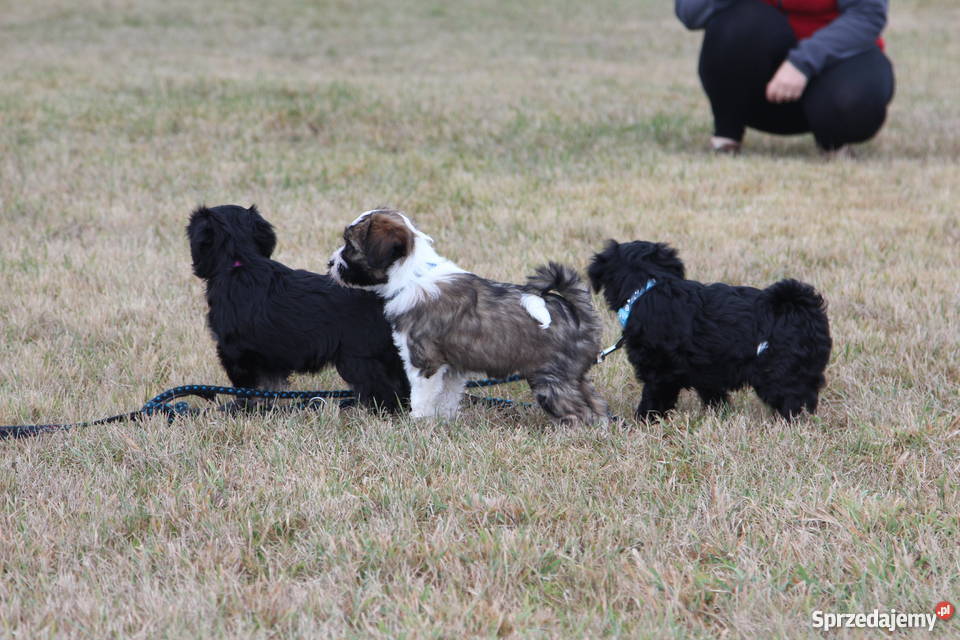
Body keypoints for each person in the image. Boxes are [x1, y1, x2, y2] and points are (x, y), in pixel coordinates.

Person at [675, 0, 894, 153]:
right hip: (761, 90)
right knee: (740, 24)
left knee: (854, 101)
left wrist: (803, 61)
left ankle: (833, 140)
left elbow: (868, 15)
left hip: (833, 61)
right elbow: (689, 13)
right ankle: (726, 137)